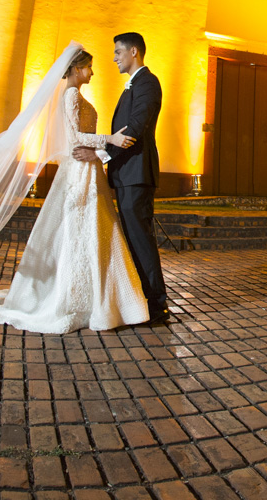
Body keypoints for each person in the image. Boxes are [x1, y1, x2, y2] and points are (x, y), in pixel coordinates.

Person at [0, 50, 150, 332]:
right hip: (79, 169)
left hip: (88, 167)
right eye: (89, 67)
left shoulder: (74, 94)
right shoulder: (71, 95)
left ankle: (96, 294)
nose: (92, 72)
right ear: (76, 69)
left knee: (93, 229)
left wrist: (100, 151)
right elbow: (74, 137)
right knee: (80, 228)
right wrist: (109, 140)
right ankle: (75, 296)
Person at [73, 32, 169, 323]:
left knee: (141, 240)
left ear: (134, 52)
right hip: (127, 174)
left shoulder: (147, 83)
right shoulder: (134, 85)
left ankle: (157, 305)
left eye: (118, 52)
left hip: (136, 174)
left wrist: (100, 155)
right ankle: (141, 301)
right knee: (134, 239)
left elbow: (136, 127)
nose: (114, 58)